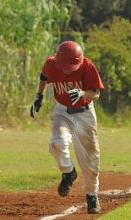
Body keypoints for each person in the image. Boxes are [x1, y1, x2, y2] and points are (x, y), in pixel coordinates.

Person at [30, 41, 104, 214]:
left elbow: (96, 93)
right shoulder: (51, 63)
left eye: (69, 66)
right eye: (62, 65)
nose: (65, 69)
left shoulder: (87, 66)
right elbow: (44, 77)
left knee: (90, 160)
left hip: (85, 114)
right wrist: (39, 97)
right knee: (57, 144)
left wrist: (82, 93)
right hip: (62, 112)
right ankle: (69, 172)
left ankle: (92, 196)